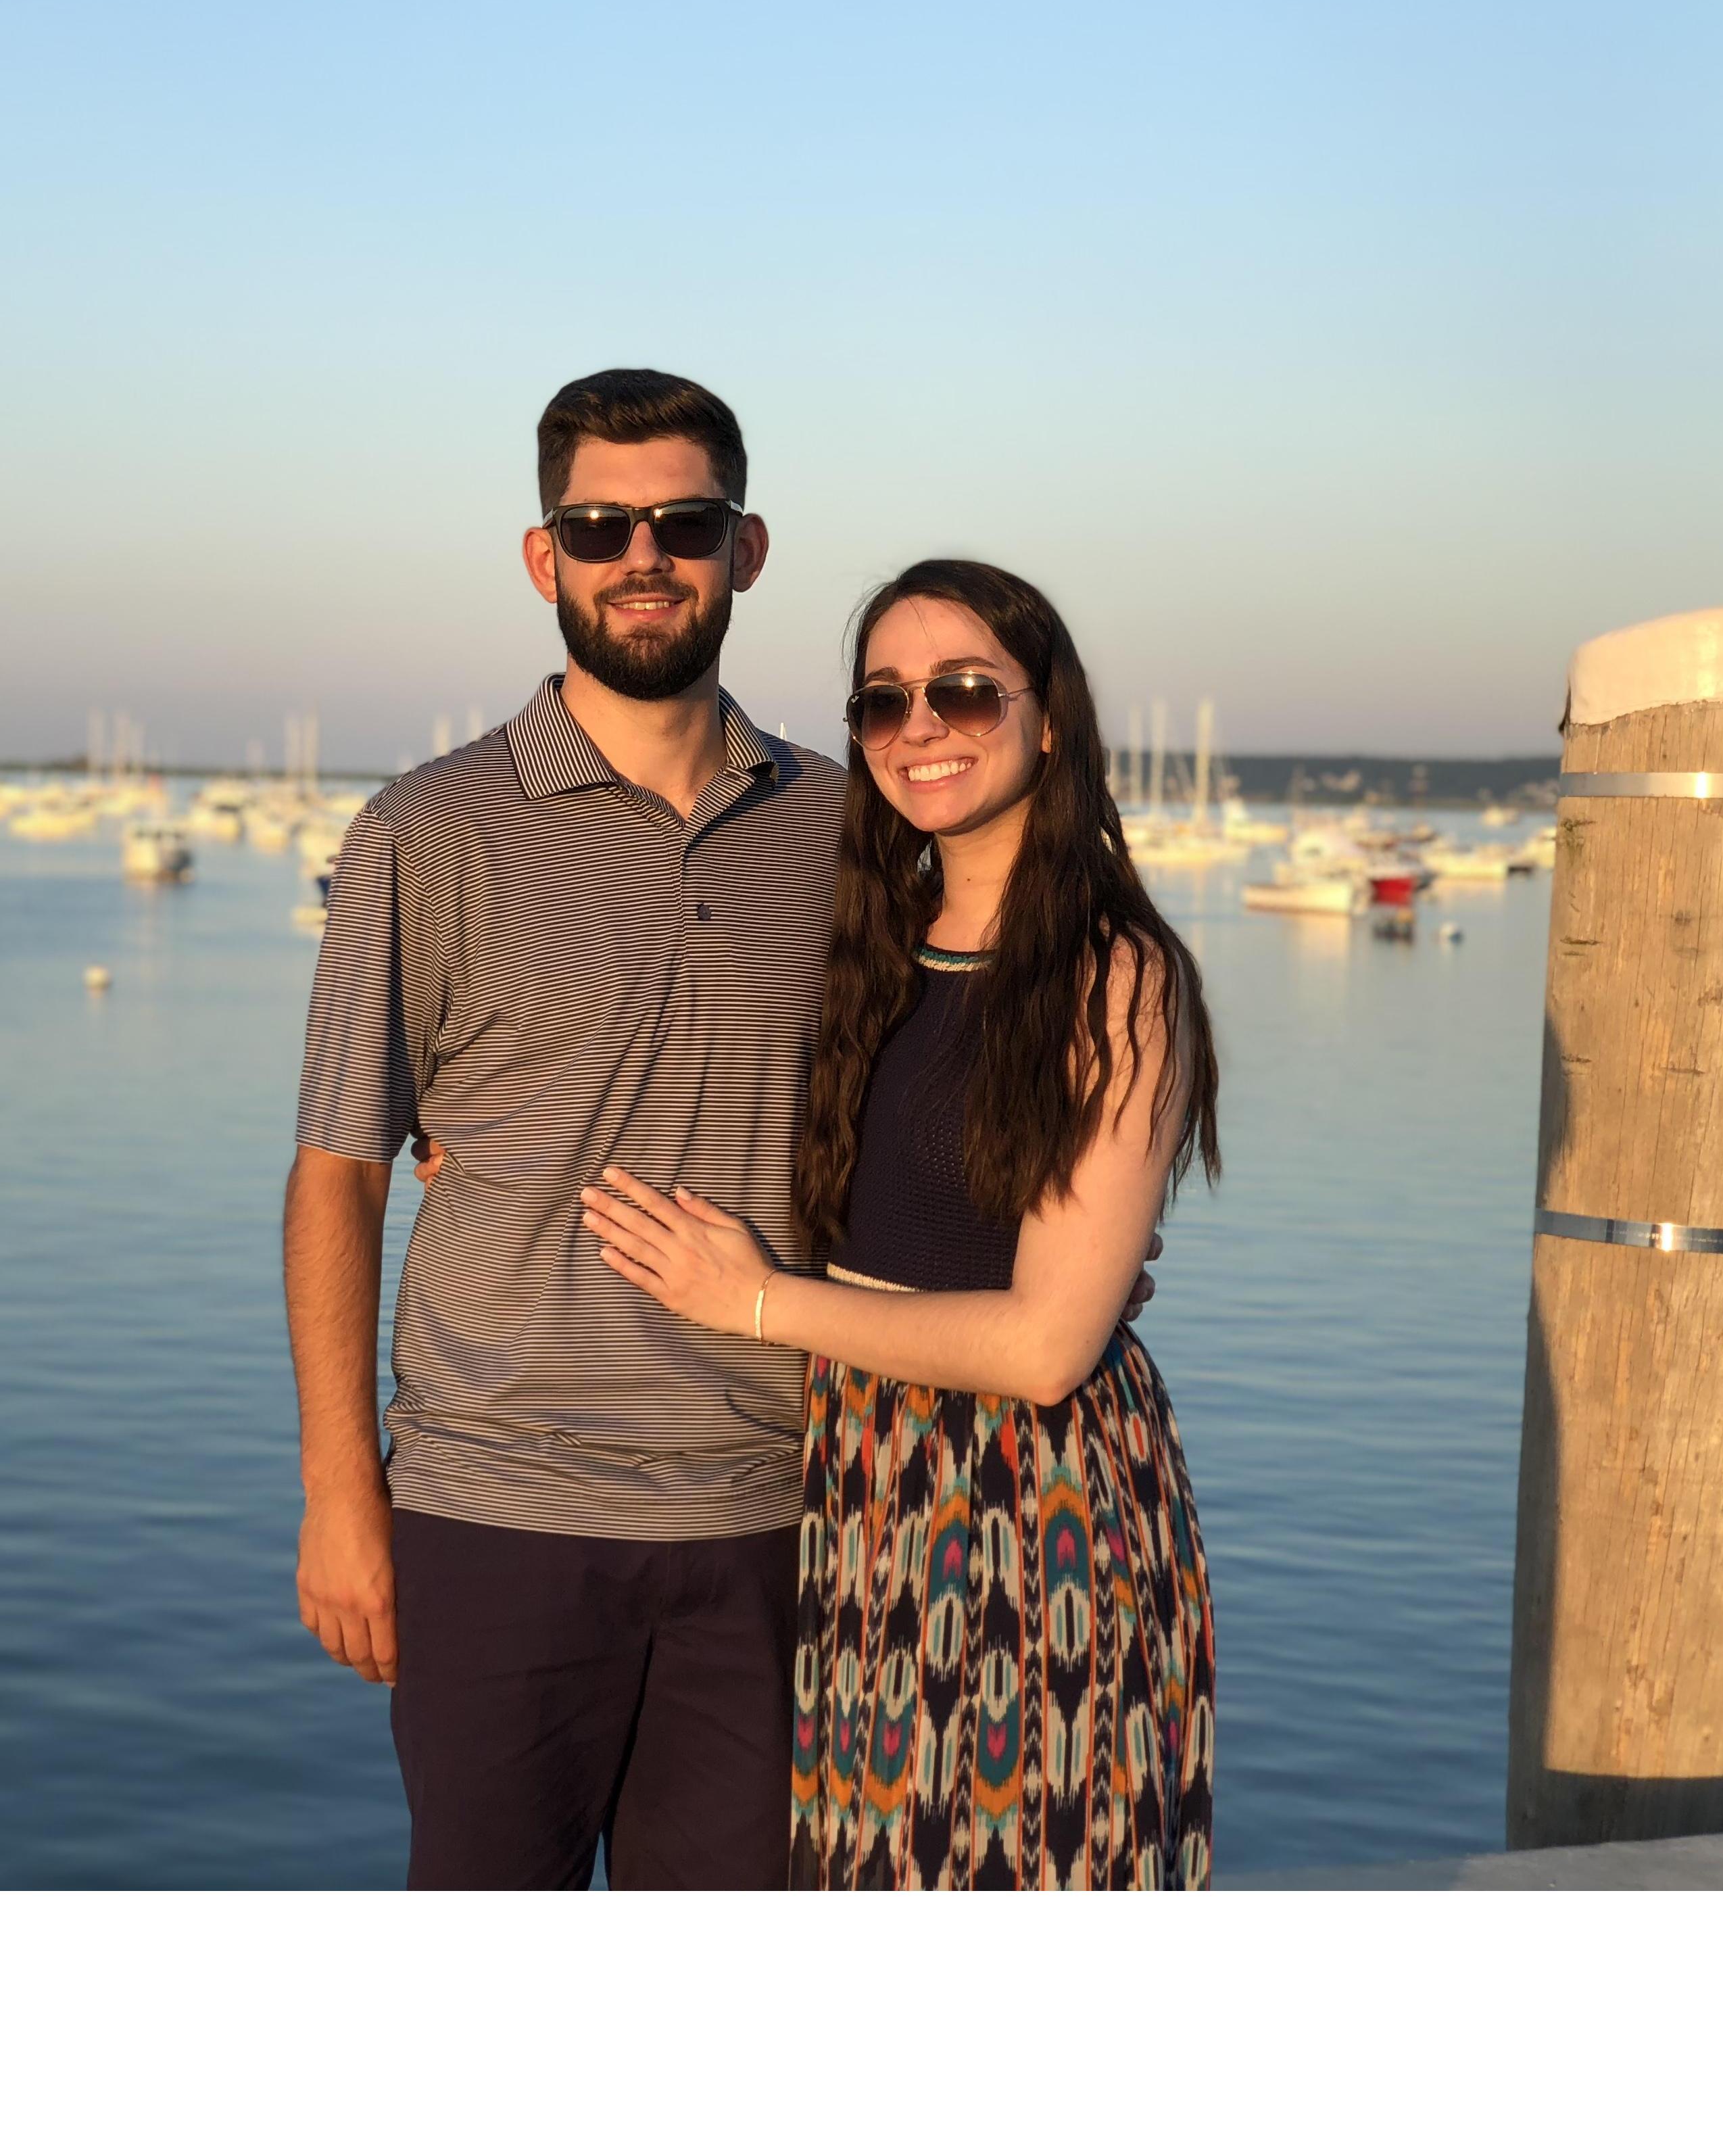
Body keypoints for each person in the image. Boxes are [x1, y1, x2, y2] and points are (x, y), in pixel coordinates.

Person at [284, 368, 846, 1888]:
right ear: (546, 558)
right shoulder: (425, 830)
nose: (642, 557)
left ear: (746, 548)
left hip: (773, 1520)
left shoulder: (843, 828)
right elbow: (339, 1174)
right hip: (494, 1515)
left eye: (685, 523)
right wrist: (341, 1497)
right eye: (600, 528)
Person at [578, 557, 1219, 1889]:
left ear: (1051, 718)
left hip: (1029, 1506)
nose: (920, 726)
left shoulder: (1116, 976)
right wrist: (484, 1145)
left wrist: (754, 1301)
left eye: (965, 692)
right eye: (885, 701)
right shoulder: (875, 947)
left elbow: (1046, 1347)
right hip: (865, 1484)